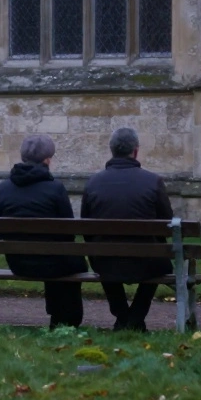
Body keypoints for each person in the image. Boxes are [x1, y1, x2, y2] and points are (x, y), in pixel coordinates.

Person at [80, 127, 173, 332]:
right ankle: (134, 318)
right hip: (148, 261)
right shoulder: (153, 181)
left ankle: (123, 316)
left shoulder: (93, 183)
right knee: (161, 262)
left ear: (112, 150)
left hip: (105, 261)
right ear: (136, 151)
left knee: (102, 256)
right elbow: (168, 225)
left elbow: (86, 227)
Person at [0, 134, 87, 329]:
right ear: (47, 160)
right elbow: (68, 232)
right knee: (72, 261)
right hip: (52, 263)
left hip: (18, 262)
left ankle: (58, 315)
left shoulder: (4, 188)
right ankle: (67, 319)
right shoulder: (55, 188)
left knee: (56, 256)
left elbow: (0, 232)